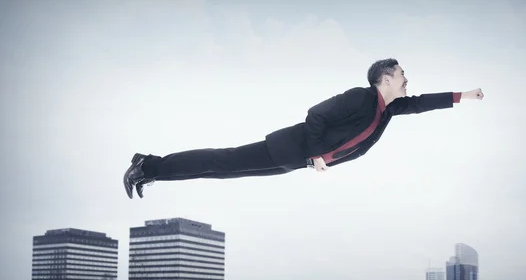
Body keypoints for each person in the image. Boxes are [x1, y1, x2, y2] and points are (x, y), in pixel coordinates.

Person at [123, 58, 484, 199]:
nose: (407, 81)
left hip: (292, 161)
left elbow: (420, 102)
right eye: (403, 76)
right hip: (289, 148)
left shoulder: (388, 110)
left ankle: (150, 172)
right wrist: (313, 155)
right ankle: (149, 165)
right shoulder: (362, 97)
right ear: (386, 78)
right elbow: (315, 115)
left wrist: (463, 96)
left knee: (218, 173)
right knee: (221, 161)